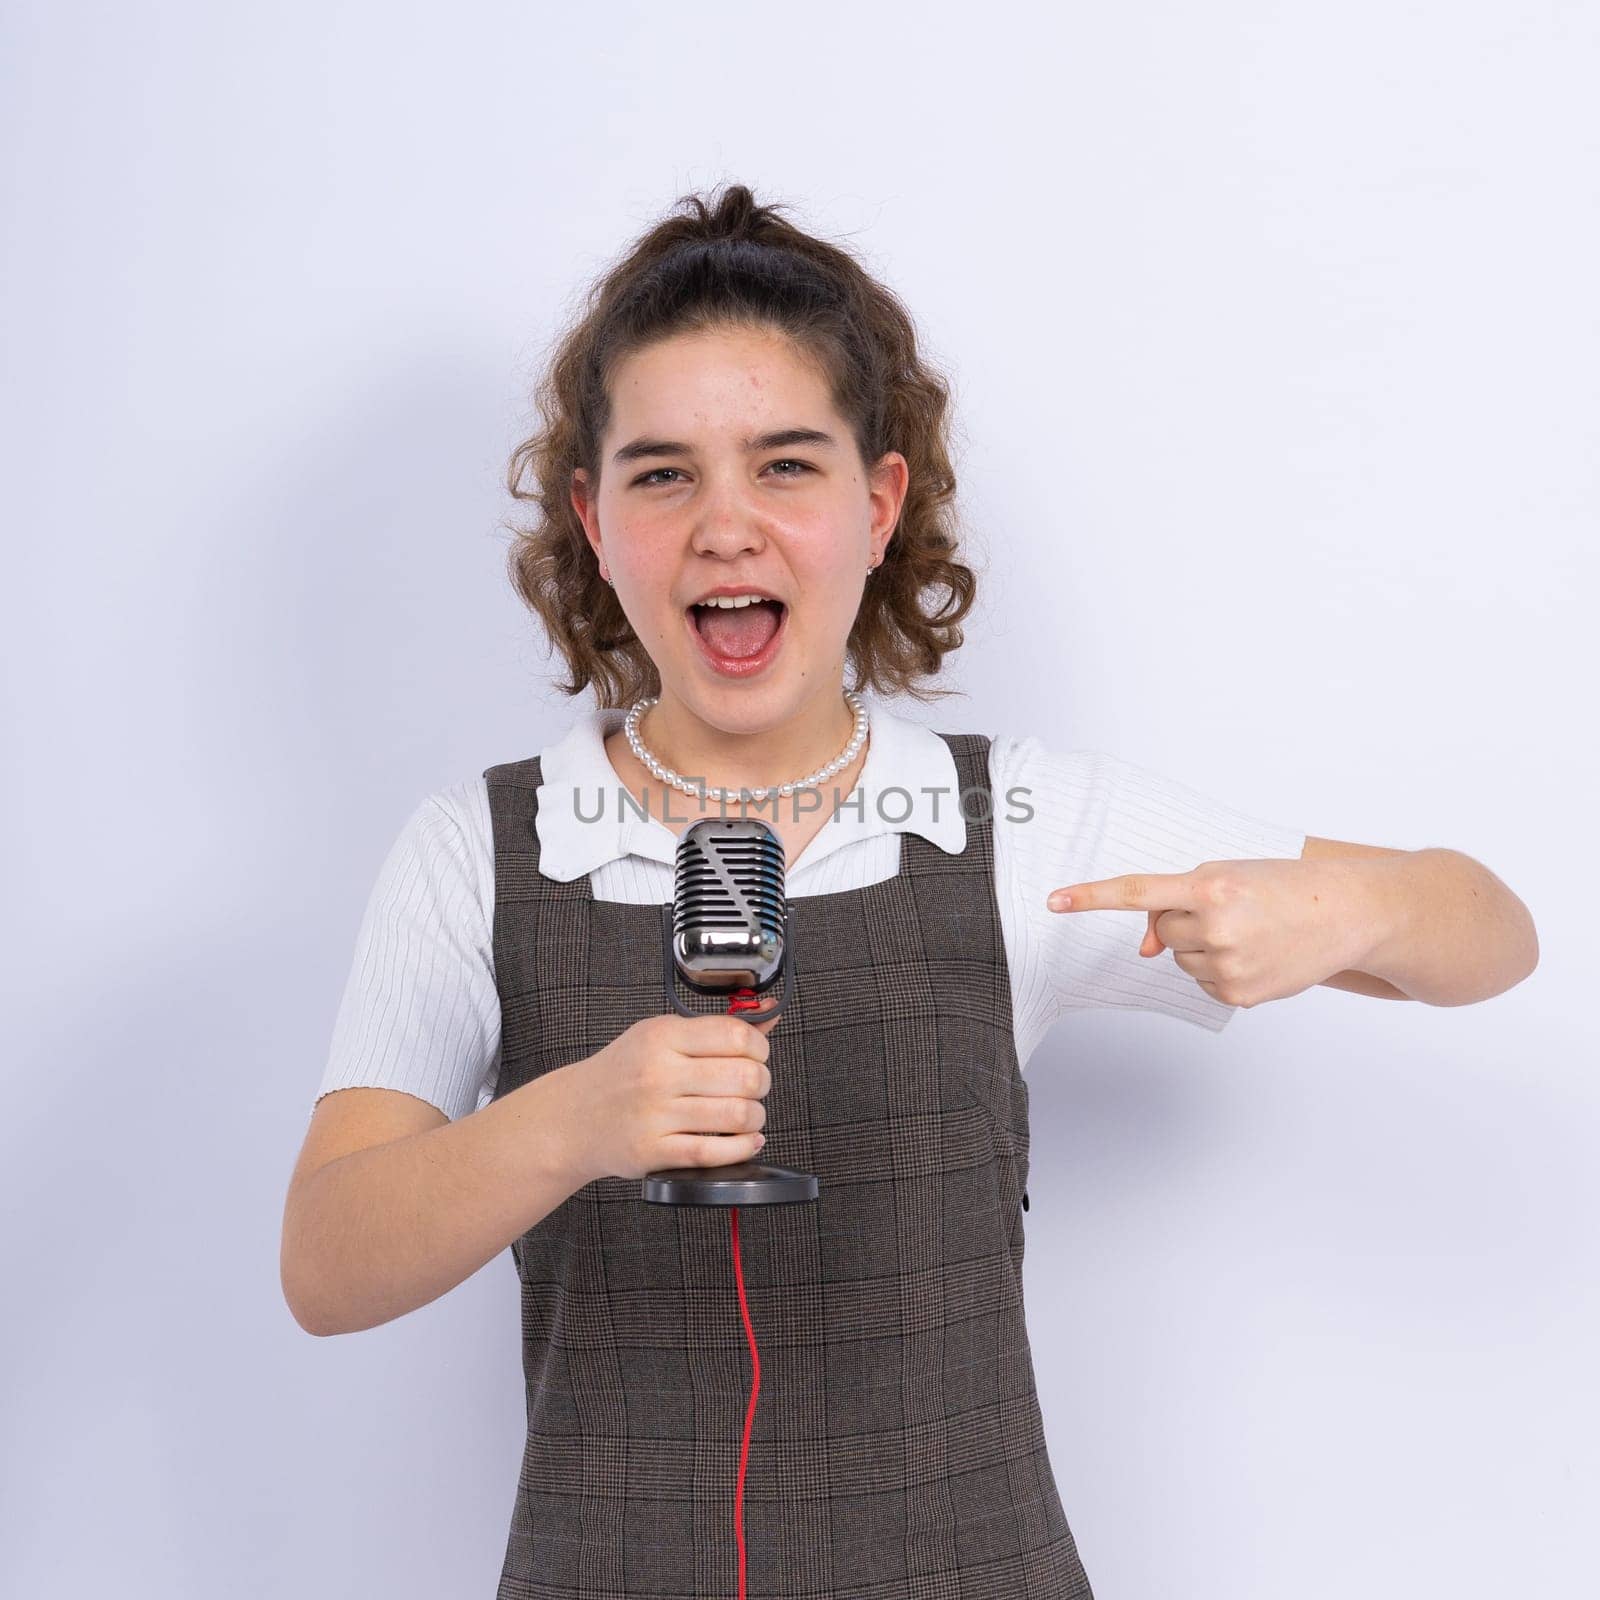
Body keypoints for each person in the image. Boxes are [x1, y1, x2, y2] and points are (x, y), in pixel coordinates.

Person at [281, 184, 1538, 1599]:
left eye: (786, 465)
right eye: (662, 473)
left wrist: (1356, 913)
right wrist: (569, 1118)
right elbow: (327, 1266)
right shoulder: (481, 850)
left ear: (879, 505)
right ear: (592, 518)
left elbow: (1492, 932)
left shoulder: (1017, 819)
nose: (727, 527)